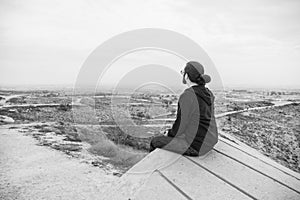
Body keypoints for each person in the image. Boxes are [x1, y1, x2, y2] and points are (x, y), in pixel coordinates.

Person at [149, 61, 218, 156]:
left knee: (155, 141)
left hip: (196, 147)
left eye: (182, 72)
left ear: (186, 76)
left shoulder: (188, 96)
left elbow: (180, 125)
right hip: (209, 142)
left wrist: (169, 133)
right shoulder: (208, 93)